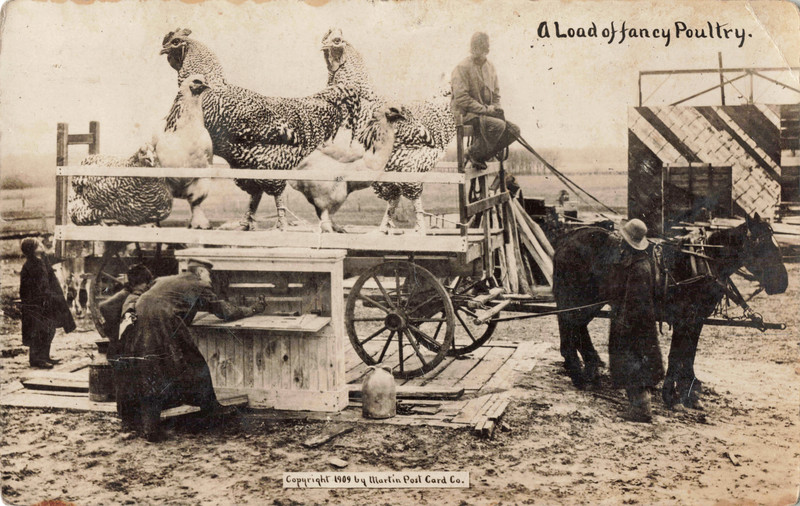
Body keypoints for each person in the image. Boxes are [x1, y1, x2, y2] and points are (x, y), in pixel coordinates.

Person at [113, 258, 265, 441]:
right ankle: (206, 410)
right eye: (209, 274)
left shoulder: (164, 280)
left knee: (151, 370)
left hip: (139, 320)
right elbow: (226, 311)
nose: (210, 279)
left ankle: (149, 425)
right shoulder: (199, 285)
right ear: (200, 272)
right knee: (188, 364)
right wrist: (253, 309)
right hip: (162, 322)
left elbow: (148, 297)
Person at [607, 219, 664, 423]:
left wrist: (623, 324)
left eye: (623, 240)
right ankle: (637, 406)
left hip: (635, 325)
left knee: (634, 364)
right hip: (636, 323)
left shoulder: (640, 268)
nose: (621, 243)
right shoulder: (637, 261)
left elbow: (635, 303)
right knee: (633, 363)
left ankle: (641, 410)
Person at [451, 31, 521, 171]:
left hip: (485, 115)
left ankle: (479, 155)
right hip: (465, 115)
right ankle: (473, 153)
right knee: (498, 125)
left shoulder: (491, 67)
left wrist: (496, 108)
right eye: (476, 48)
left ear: (486, 49)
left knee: (514, 130)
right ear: (472, 48)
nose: (479, 52)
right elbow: (461, 98)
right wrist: (486, 110)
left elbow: (496, 95)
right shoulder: (461, 68)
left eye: (482, 48)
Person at [19, 238, 76, 369]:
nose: (41, 245)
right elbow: (32, 287)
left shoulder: (43, 260)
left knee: (49, 329)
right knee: (37, 331)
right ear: (32, 250)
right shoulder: (30, 265)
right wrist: (42, 298)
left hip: (46, 300)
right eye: (38, 245)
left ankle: (45, 356)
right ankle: (36, 359)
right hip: (36, 303)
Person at [97, 263, 154, 358]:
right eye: (146, 284)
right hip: (122, 350)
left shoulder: (129, 293)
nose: (148, 287)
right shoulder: (128, 295)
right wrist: (115, 329)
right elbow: (104, 306)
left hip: (118, 347)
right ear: (142, 283)